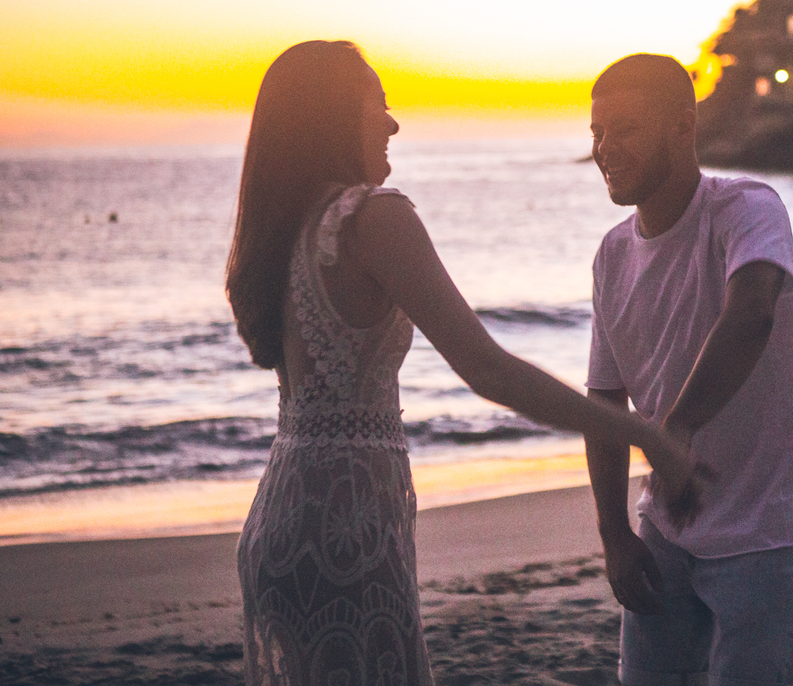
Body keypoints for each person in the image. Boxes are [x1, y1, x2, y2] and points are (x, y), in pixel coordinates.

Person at [226, 40, 700, 686]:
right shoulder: (372, 217)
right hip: (346, 532)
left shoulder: (284, 230)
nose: (393, 124)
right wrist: (646, 434)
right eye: (379, 105)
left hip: (276, 522)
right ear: (334, 117)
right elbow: (489, 370)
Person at [583, 54, 793, 686]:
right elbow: (604, 403)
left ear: (682, 128)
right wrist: (615, 533)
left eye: (626, 129)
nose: (605, 149)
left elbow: (750, 314)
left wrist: (677, 428)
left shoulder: (747, 210)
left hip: (769, 526)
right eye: (597, 133)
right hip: (666, 525)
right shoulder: (612, 256)